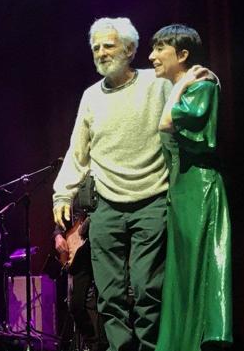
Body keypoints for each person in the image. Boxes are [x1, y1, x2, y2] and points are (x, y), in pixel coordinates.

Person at [52, 17, 173, 351]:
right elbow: (77, 153)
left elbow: (192, 89)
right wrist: (61, 194)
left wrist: (207, 76)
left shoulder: (157, 83)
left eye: (109, 45)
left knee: (148, 291)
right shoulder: (91, 96)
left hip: (152, 201)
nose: (101, 53)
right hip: (106, 208)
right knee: (109, 298)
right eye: (95, 48)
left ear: (130, 49)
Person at [148, 24, 232, 350]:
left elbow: (166, 123)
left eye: (160, 49)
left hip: (200, 189)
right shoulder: (185, 88)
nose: (152, 56)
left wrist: (180, 84)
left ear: (182, 55)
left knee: (199, 270)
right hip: (182, 191)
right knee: (182, 276)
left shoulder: (201, 86)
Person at [53, 176, 107, 351]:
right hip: (81, 253)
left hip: (103, 247)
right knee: (76, 305)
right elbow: (66, 216)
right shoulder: (77, 183)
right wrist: (58, 235)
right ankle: (94, 344)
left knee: (106, 301)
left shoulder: (104, 178)